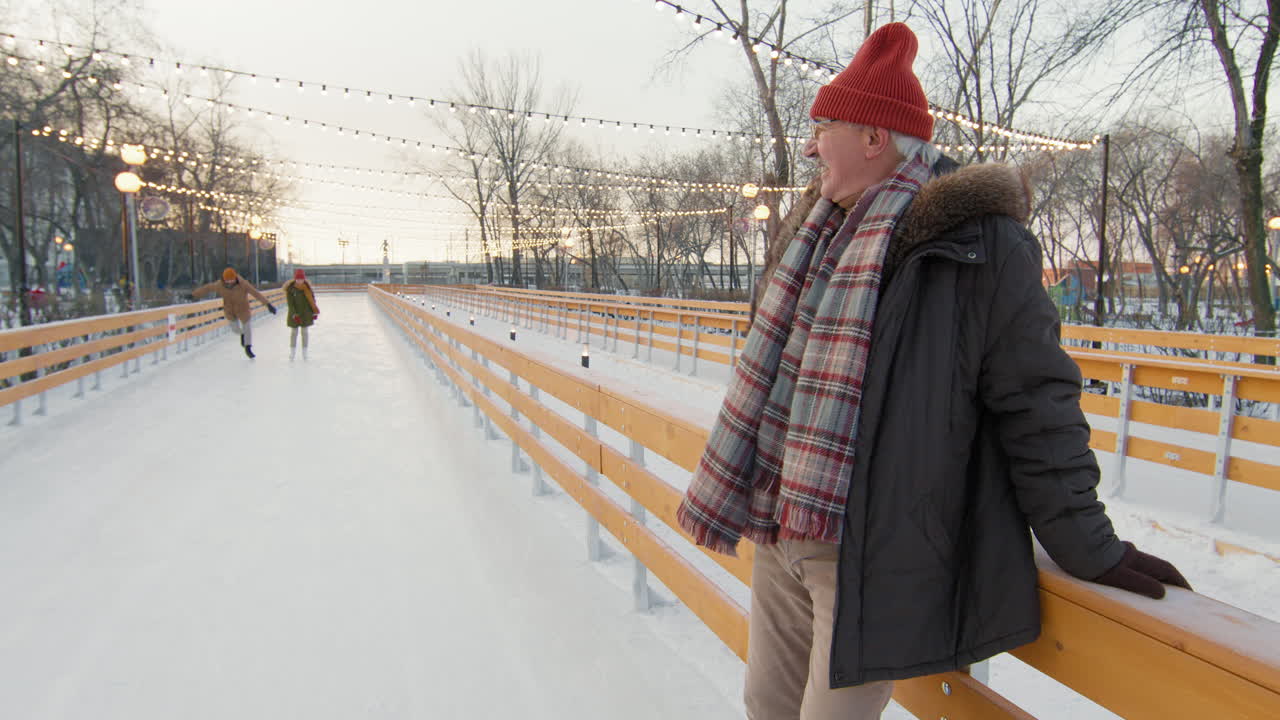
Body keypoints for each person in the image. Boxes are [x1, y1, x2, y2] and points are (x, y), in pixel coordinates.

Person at [676, 22, 1190, 720]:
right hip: (780, 524)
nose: (810, 145)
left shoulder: (978, 245)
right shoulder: (810, 232)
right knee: (765, 708)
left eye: (823, 127)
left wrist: (1086, 543)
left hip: (869, 552)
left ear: (873, 137)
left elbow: (1037, 403)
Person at [191, 267, 277, 359]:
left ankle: (248, 347)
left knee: (247, 327)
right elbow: (207, 288)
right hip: (230, 311)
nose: (230, 282)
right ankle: (242, 334)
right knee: (235, 329)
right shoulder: (219, 285)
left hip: (243, 309)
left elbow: (256, 293)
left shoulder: (243, 284)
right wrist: (194, 295)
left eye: (232, 280)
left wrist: (268, 305)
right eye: (228, 281)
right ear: (224, 280)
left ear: (235, 278)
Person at [283, 268, 319, 360]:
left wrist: (314, 312)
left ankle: (304, 352)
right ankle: (292, 352)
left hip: (306, 313)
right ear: (295, 279)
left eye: (301, 279)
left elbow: (312, 301)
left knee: (305, 332)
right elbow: (290, 304)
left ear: (304, 279)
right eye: (298, 279)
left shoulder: (307, 288)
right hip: (294, 314)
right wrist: (294, 315)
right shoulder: (290, 289)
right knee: (294, 333)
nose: (300, 281)